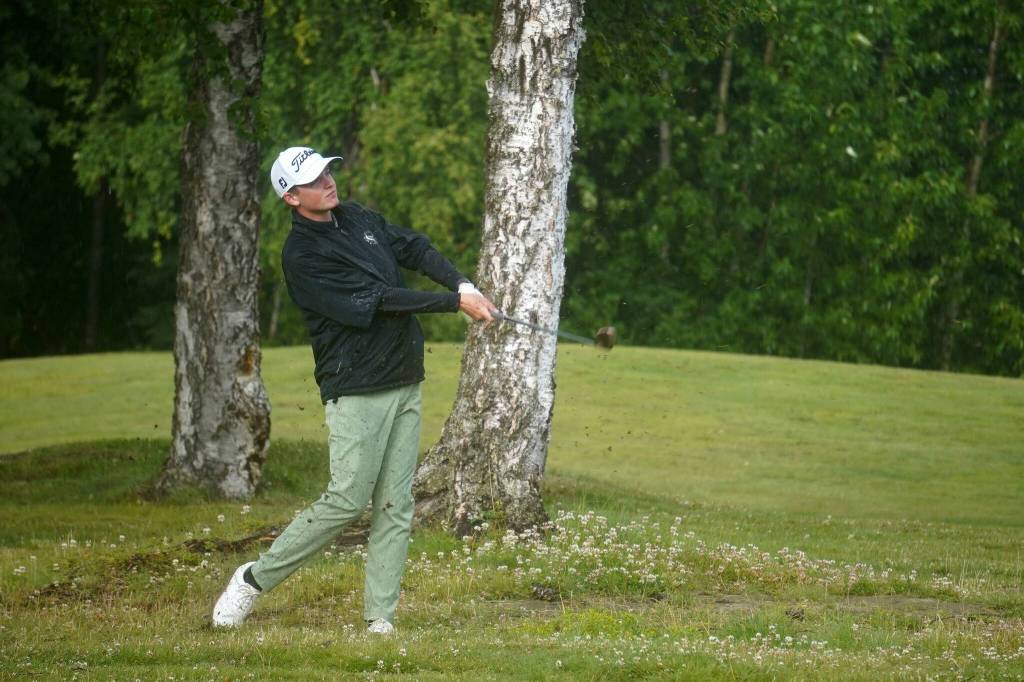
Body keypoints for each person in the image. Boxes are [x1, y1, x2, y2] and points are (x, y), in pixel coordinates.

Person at [212, 146, 496, 634]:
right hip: (357, 387)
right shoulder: (303, 257)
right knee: (347, 499)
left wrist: (463, 283)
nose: (327, 180)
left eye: (326, 170)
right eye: (313, 178)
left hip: (404, 379)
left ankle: (379, 619)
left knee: (394, 504)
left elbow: (413, 246)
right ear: (291, 197)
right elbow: (379, 301)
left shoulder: (357, 217)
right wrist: (453, 303)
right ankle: (252, 581)